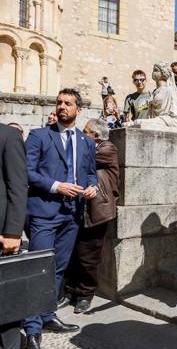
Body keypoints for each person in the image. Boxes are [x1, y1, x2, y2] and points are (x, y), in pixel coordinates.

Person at [23, 88, 97, 349]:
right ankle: (31, 327)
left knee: (58, 269)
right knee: (38, 268)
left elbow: (90, 173)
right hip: (44, 213)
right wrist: (57, 186)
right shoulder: (39, 136)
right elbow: (28, 172)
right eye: (59, 102)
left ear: (78, 109)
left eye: (68, 103)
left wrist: (93, 187)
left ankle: (47, 314)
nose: (62, 106)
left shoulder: (86, 141)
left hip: (72, 215)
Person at [62, 118, 119, 314]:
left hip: (98, 210)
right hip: (81, 208)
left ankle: (85, 296)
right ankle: (69, 292)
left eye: (85, 131)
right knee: (73, 254)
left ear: (95, 135)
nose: (81, 134)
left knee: (89, 257)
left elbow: (83, 157)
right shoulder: (90, 145)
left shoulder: (107, 148)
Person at [0, 123, 27, 349]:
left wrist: (12, 232)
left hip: (2, 235)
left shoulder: (8, 136)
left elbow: (17, 187)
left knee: (4, 300)